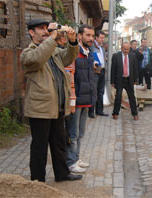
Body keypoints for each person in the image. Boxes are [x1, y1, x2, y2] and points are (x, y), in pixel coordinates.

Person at [20, 19, 82, 182]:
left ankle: (62, 174)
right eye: (41, 29)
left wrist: (72, 41)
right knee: (39, 148)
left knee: (59, 143)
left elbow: (68, 57)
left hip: (57, 106)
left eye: (46, 28)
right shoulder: (28, 53)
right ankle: (37, 180)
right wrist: (52, 39)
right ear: (31, 32)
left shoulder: (52, 50)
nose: (45, 31)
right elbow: (38, 58)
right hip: (40, 109)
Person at [66, 24, 96, 173]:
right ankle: (71, 162)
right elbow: (70, 75)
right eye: (88, 35)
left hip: (86, 99)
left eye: (92, 36)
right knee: (73, 133)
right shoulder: (74, 53)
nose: (91, 38)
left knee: (81, 132)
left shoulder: (88, 53)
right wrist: (72, 99)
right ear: (79, 36)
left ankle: (76, 158)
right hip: (76, 99)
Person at [111, 42, 139, 121]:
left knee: (132, 97)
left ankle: (135, 114)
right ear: (121, 48)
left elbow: (135, 69)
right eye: (125, 49)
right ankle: (115, 113)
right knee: (118, 97)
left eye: (128, 49)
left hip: (129, 80)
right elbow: (113, 69)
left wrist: (135, 80)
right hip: (119, 80)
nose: (126, 51)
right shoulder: (116, 56)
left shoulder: (133, 56)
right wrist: (112, 82)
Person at [88, 30, 108, 118]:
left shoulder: (102, 48)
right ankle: (91, 111)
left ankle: (99, 110)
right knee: (94, 91)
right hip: (95, 71)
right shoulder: (92, 46)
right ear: (96, 37)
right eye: (101, 37)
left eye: (103, 38)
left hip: (102, 71)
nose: (103, 39)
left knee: (101, 92)